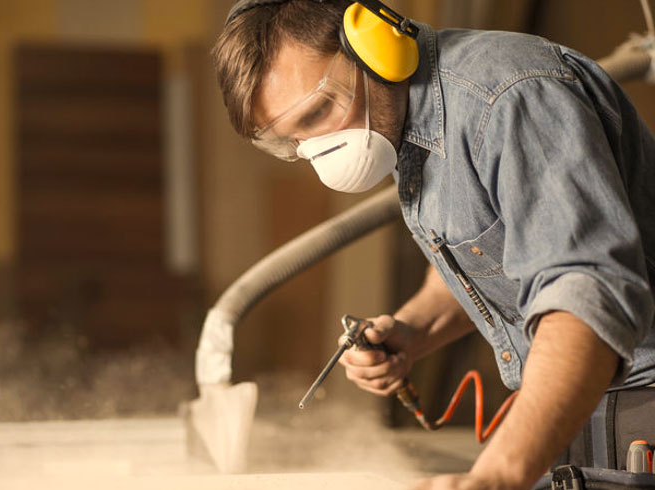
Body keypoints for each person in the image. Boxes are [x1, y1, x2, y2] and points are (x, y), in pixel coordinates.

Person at [212, 0, 655, 489]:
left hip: (641, 415)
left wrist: (498, 473)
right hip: (585, 418)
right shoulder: (410, 123)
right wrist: (414, 330)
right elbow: (491, 252)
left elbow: (584, 297)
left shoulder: (509, 98)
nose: (318, 149)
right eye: (292, 141)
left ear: (375, 47)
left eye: (319, 111)